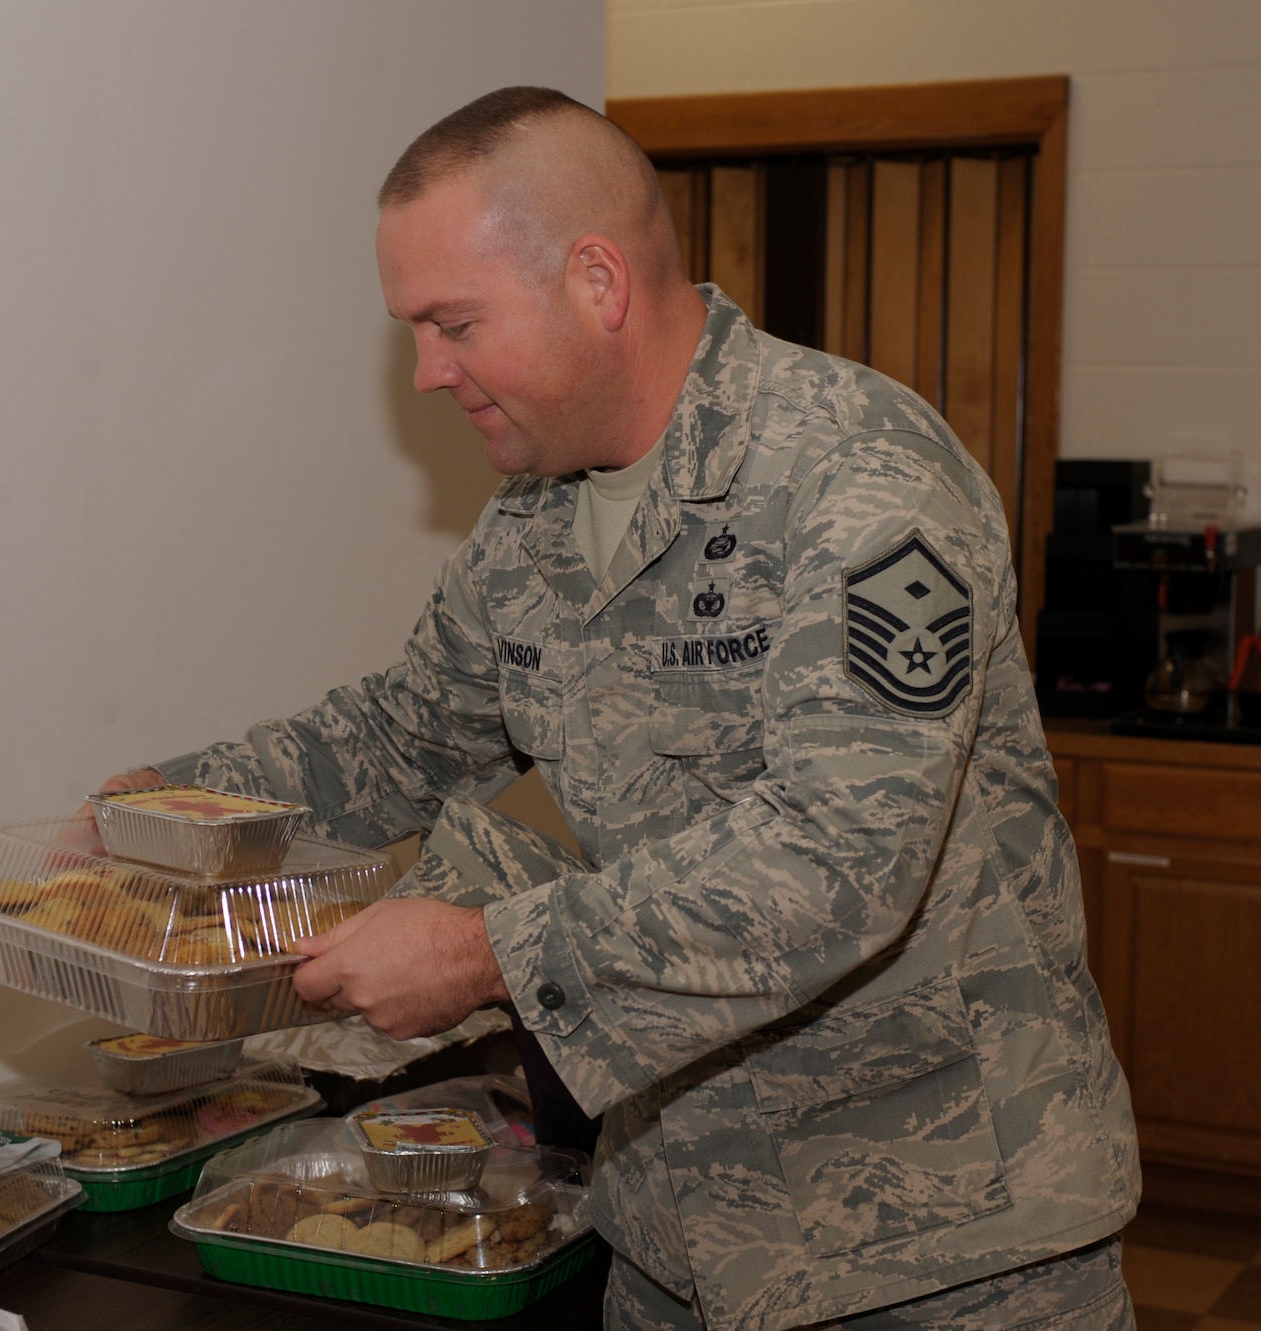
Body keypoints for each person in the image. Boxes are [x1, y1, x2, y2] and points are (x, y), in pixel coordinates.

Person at [105, 87, 1139, 1330]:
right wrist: (155, 817)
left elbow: (841, 854)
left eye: (453, 324)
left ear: (596, 281)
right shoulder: (536, 519)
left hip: (938, 1252)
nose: (429, 373)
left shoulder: (856, 476)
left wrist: (482, 950)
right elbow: (397, 734)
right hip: (672, 1232)